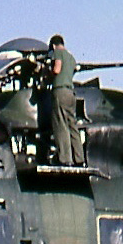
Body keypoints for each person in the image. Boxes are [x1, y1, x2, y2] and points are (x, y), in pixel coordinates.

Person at [47, 34, 84, 166]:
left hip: (60, 91)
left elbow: (57, 69)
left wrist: (48, 74)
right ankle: (79, 158)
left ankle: (65, 159)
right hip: (71, 93)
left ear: (53, 46)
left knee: (60, 124)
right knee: (72, 125)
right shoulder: (71, 57)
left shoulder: (57, 53)